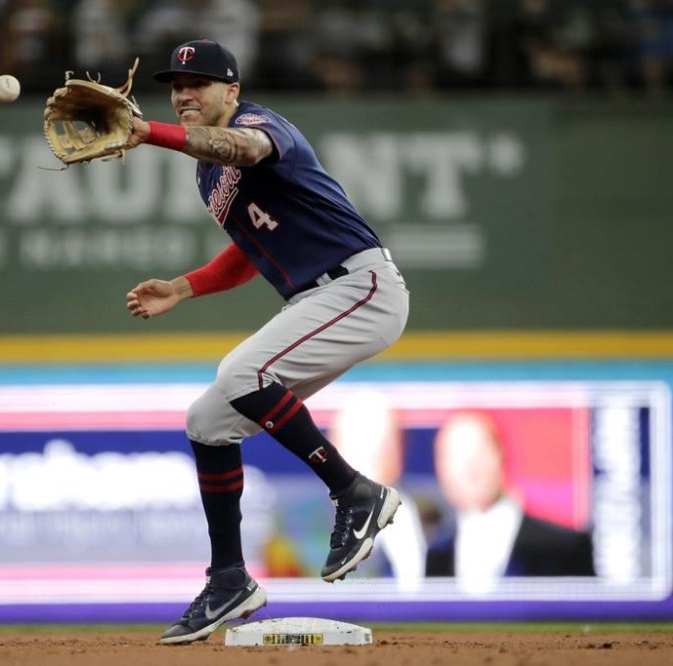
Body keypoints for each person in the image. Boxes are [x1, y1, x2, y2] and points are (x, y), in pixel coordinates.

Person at [124, 39, 411, 644]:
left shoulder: (259, 124)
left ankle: (355, 492)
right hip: (318, 299)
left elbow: (244, 147)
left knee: (241, 373)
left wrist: (146, 132)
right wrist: (183, 286)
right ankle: (230, 578)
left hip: (361, 286)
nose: (183, 94)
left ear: (230, 90)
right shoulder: (209, 175)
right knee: (208, 419)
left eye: (198, 83)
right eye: (176, 86)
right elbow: (247, 255)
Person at [426, 410, 596, 593]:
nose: (470, 468)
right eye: (455, 456)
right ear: (440, 468)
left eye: (479, 452)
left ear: (501, 454)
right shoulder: (435, 556)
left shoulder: (563, 548)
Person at [328, 392, 426, 590]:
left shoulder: (429, 522)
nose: (377, 455)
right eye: (361, 439)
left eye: (387, 442)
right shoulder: (298, 525)